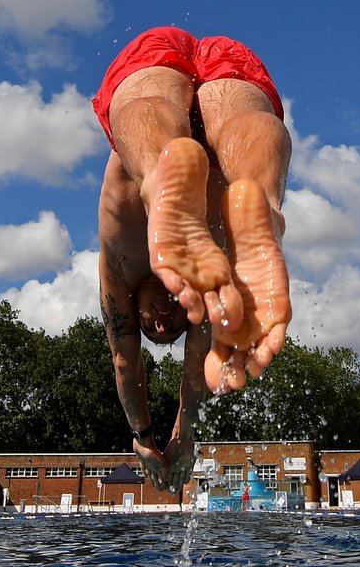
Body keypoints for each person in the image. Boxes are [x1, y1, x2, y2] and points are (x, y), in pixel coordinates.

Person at [94, 26, 292, 492]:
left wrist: (145, 438)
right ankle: (261, 204)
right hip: (231, 67)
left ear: (133, 313)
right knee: (238, 123)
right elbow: (195, 371)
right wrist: (183, 436)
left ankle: (158, 179)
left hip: (155, 72)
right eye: (175, 325)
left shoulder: (118, 276)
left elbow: (126, 364)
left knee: (147, 106)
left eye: (149, 326)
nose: (163, 321)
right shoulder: (207, 286)